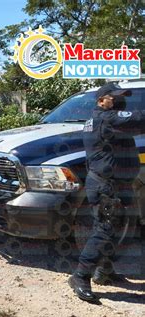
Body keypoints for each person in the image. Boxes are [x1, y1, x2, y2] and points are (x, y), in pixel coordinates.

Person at [68, 83, 145, 303]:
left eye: (123, 97)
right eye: (116, 97)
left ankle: (105, 270)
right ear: (101, 100)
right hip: (107, 186)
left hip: (115, 184)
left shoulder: (98, 121)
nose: (121, 101)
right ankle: (81, 276)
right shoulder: (107, 119)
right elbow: (138, 119)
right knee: (104, 230)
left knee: (116, 228)